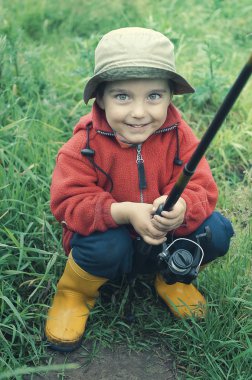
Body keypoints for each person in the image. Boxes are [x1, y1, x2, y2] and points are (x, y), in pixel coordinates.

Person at [45, 27, 234, 352]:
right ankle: (74, 294)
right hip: (113, 241)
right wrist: (125, 211)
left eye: (153, 96)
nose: (138, 112)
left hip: (163, 239)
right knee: (105, 246)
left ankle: (172, 279)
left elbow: (203, 188)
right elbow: (68, 203)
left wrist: (183, 208)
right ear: (100, 98)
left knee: (217, 231)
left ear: (170, 96)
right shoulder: (82, 147)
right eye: (122, 96)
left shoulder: (181, 137)